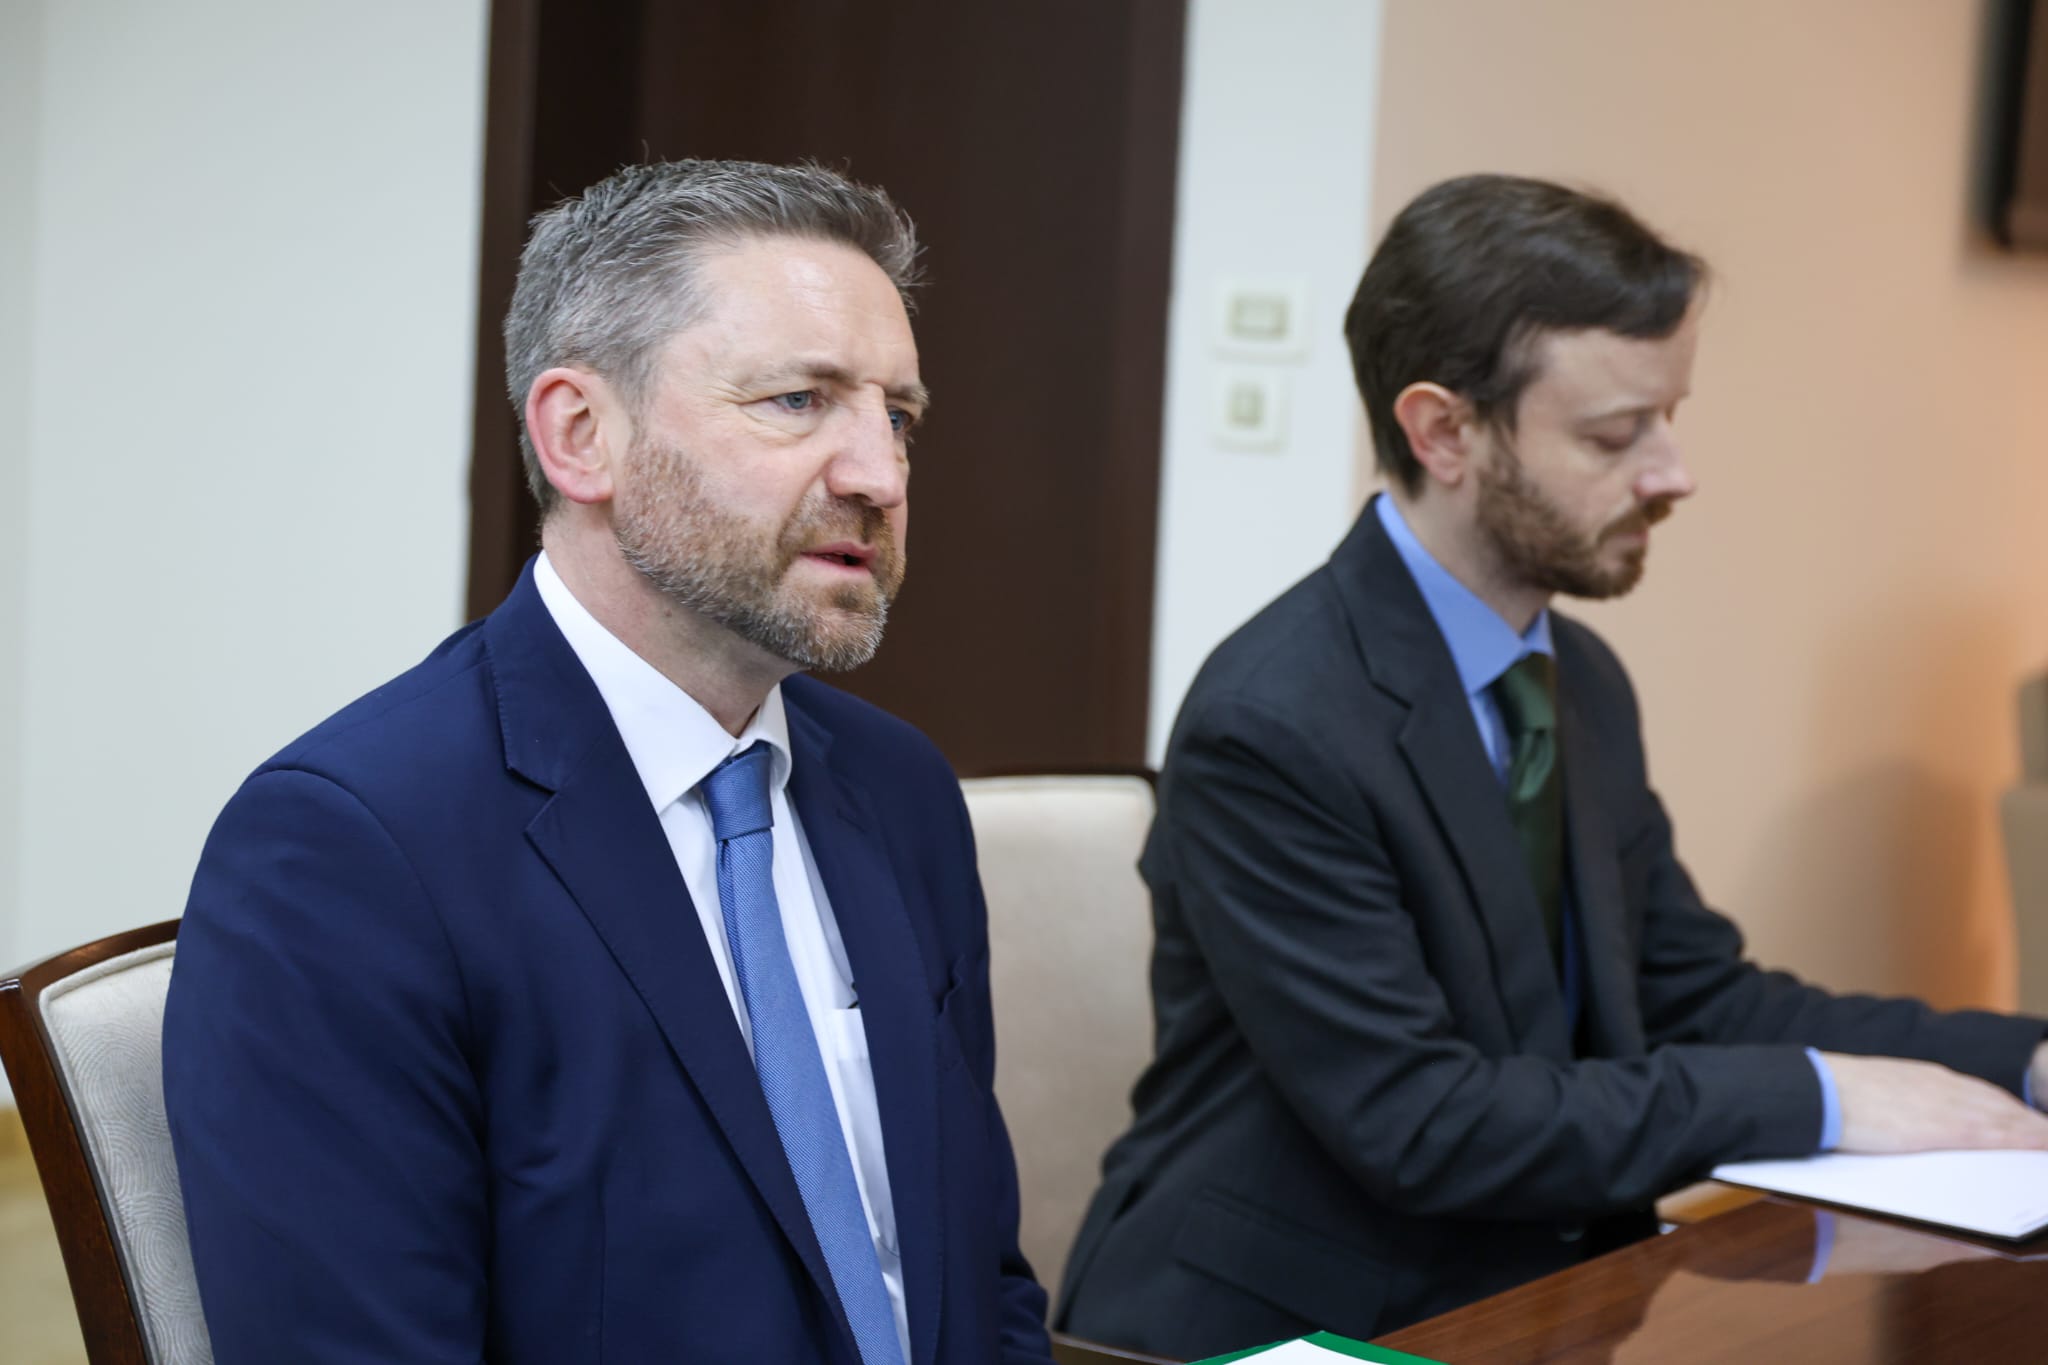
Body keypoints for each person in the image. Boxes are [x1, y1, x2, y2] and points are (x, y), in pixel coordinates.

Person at [1056, 173, 2048, 1359]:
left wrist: (2022, 1059)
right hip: (1295, 1318)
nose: (1671, 473)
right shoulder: (1271, 722)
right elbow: (1422, 1121)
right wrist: (1824, 1096)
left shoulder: (1576, 679)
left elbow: (1693, 998)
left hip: (1541, 1291)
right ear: (1442, 432)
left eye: (1667, 417)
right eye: (1614, 435)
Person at [163, 159, 1054, 1365]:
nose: (878, 477)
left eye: (896, 417)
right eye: (797, 400)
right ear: (581, 437)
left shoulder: (898, 791)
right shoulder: (349, 849)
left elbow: (977, 1283)